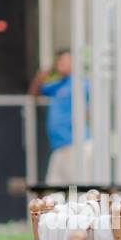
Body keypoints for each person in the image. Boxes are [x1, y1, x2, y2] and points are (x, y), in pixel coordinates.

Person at [28, 48, 86, 186]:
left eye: (63, 60)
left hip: (75, 145)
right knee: (54, 193)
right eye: (58, 60)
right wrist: (41, 76)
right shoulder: (58, 85)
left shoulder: (81, 83)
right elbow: (33, 94)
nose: (59, 63)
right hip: (59, 146)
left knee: (76, 191)